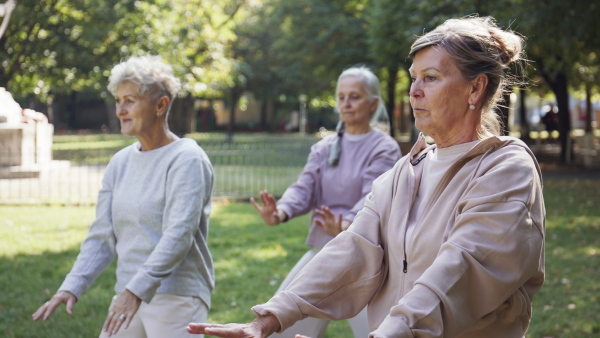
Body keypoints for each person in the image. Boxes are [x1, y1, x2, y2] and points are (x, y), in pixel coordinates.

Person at [188, 16, 545, 338]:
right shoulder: (408, 169)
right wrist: (268, 319)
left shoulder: (506, 167)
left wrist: (394, 330)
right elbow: (353, 247)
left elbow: (463, 265)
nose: (414, 92)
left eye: (431, 78)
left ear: (474, 88)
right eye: (414, 79)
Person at [33, 55, 215, 338]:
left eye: (130, 100)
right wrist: (73, 284)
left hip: (177, 294)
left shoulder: (187, 159)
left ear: (160, 105)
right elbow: (102, 234)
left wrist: (135, 291)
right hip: (128, 291)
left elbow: (179, 235)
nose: (120, 110)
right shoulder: (120, 162)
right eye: (118, 100)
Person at [248, 66, 402, 337]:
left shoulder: (384, 148)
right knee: (280, 326)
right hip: (323, 251)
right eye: (341, 97)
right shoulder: (323, 147)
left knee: (380, 332)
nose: (346, 103)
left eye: (354, 96)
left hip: (366, 259)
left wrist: (345, 225)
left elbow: (372, 196)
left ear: (373, 104)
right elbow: (304, 188)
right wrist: (280, 212)